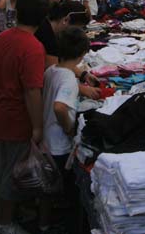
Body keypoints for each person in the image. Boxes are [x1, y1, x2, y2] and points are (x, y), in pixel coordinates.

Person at [0, 0, 50, 234]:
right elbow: (32, 91)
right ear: (44, 16)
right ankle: (4, 224)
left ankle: (12, 214)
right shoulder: (33, 47)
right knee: (13, 174)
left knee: (8, 167)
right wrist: (37, 127)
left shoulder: (2, 38)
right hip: (16, 118)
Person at [40, 26, 90, 232]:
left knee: (47, 185)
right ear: (81, 55)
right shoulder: (69, 79)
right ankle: (52, 223)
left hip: (46, 137)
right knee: (56, 185)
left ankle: (43, 222)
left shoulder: (52, 70)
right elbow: (60, 107)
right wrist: (69, 129)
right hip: (59, 143)